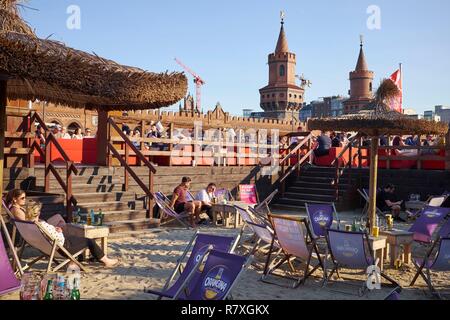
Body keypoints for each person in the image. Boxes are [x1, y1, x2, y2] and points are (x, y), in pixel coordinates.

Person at [23, 200, 119, 268]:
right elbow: (57, 240)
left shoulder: (29, 224)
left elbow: (48, 236)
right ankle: (106, 261)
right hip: (63, 248)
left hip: (50, 247)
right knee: (89, 240)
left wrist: (55, 230)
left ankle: (81, 259)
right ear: (38, 212)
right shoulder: (41, 224)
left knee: (78, 237)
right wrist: (59, 231)